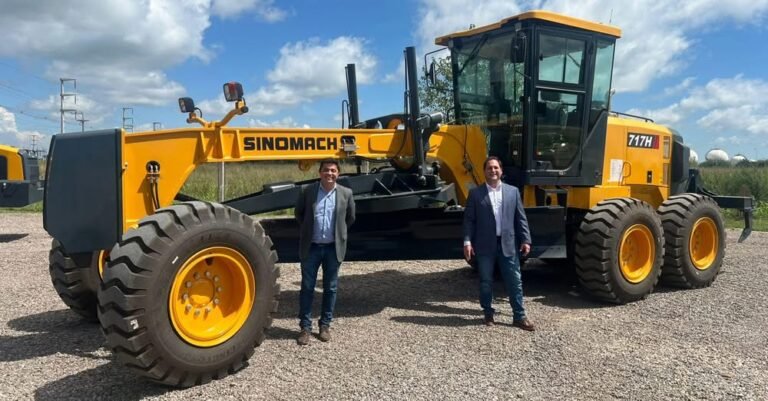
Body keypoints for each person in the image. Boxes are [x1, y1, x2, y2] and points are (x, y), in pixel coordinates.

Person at [462, 156, 534, 331]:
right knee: (486, 281)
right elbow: (469, 220)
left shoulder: (513, 192)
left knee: (514, 281)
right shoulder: (475, 194)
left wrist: (526, 239)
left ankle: (519, 316)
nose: (493, 171)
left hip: (508, 244)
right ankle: (488, 313)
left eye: (496, 168)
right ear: (484, 171)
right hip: (485, 245)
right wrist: (467, 241)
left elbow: (520, 218)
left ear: (501, 171)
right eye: (489, 168)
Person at [295, 159, 356, 345]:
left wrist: (339, 234)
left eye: (333, 170)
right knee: (307, 288)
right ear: (319, 172)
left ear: (338, 174)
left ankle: (325, 325)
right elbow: (299, 214)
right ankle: (305, 328)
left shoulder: (346, 193)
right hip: (311, 247)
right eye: (326, 170)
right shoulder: (308, 191)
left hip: (333, 248)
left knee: (330, 288)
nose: (329, 173)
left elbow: (350, 218)